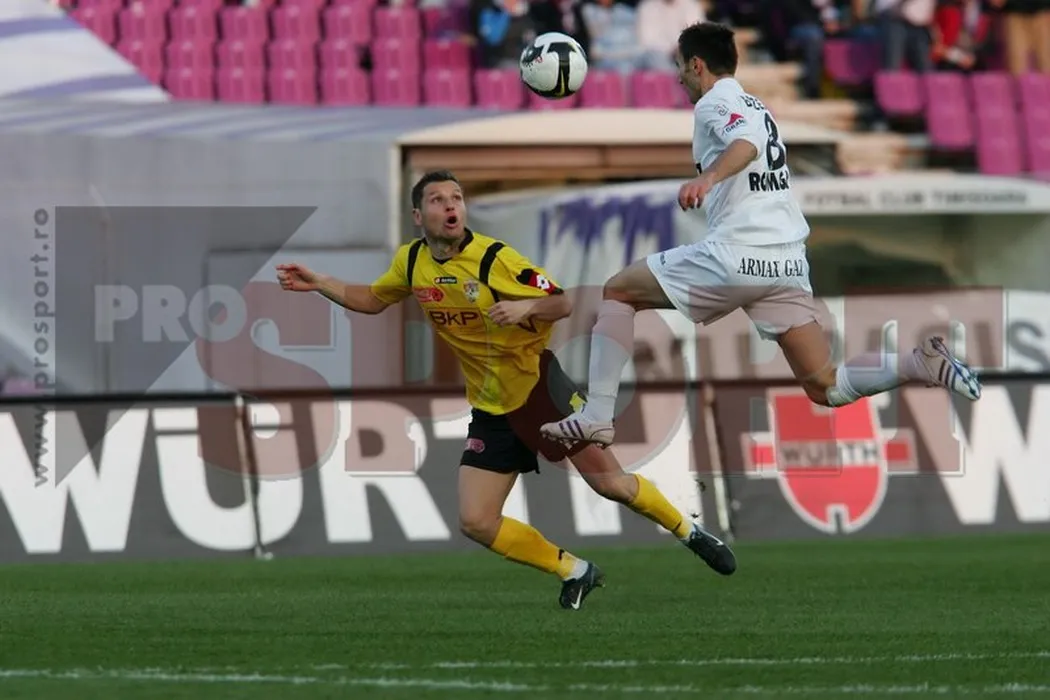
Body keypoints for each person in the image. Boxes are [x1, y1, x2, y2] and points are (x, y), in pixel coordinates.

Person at [276, 170, 736, 612]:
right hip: (491, 407)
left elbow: (562, 301)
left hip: (539, 390)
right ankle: (575, 571)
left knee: (611, 485)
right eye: (438, 200)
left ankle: (689, 531)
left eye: (456, 198)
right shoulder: (412, 261)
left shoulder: (494, 259)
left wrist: (525, 308)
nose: (451, 206)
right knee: (476, 521)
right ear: (418, 215)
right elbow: (373, 300)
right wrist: (320, 283)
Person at [540, 21, 982, 450]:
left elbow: (746, 145)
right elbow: (751, 139)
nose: (677, 77)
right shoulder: (756, 105)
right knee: (826, 386)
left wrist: (708, 178)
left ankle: (597, 416)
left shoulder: (715, 102)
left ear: (696, 65)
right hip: (785, 262)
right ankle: (919, 362)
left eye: (679, 66)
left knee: (618, 291)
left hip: (738, 254)